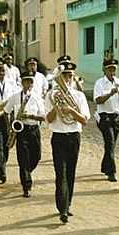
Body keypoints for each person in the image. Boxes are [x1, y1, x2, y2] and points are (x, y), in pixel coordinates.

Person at [44, 62, 90, 223]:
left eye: (70, 75)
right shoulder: (51, 95)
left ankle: (67, 204)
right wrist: (56, 109)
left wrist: (71, 110)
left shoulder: (79, 96)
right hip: (58, 136)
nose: (67, 79)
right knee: (60, 173)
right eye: (64, 75)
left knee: (70, 173)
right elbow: (48, 120)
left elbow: (84, 120)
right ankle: (62, 209)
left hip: (74, 136)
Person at [4, 70, 46, 197]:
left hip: (34, 129)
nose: (28, 84)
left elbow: (43, 117)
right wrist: (9, 127)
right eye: (25, 81)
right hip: (21, 130)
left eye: (30, 82)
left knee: (36, 156)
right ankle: (26, 186)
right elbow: (6, 111)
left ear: (32, 84)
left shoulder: (37, 98)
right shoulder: (15, 97)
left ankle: (27, 171)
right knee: (22, 159)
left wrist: (30, 116)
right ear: (22, 83)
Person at [94, 58, 119, 182]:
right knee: (110, 142)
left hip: (116, 116)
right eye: (109, 69)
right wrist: (110, 94)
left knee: (111, 145)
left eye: (114, 69)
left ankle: (105, 166)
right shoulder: (99, 83)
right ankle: (111, 171)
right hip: (104, 116)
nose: (112, 72)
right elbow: (97, 100)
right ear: (104, 70)